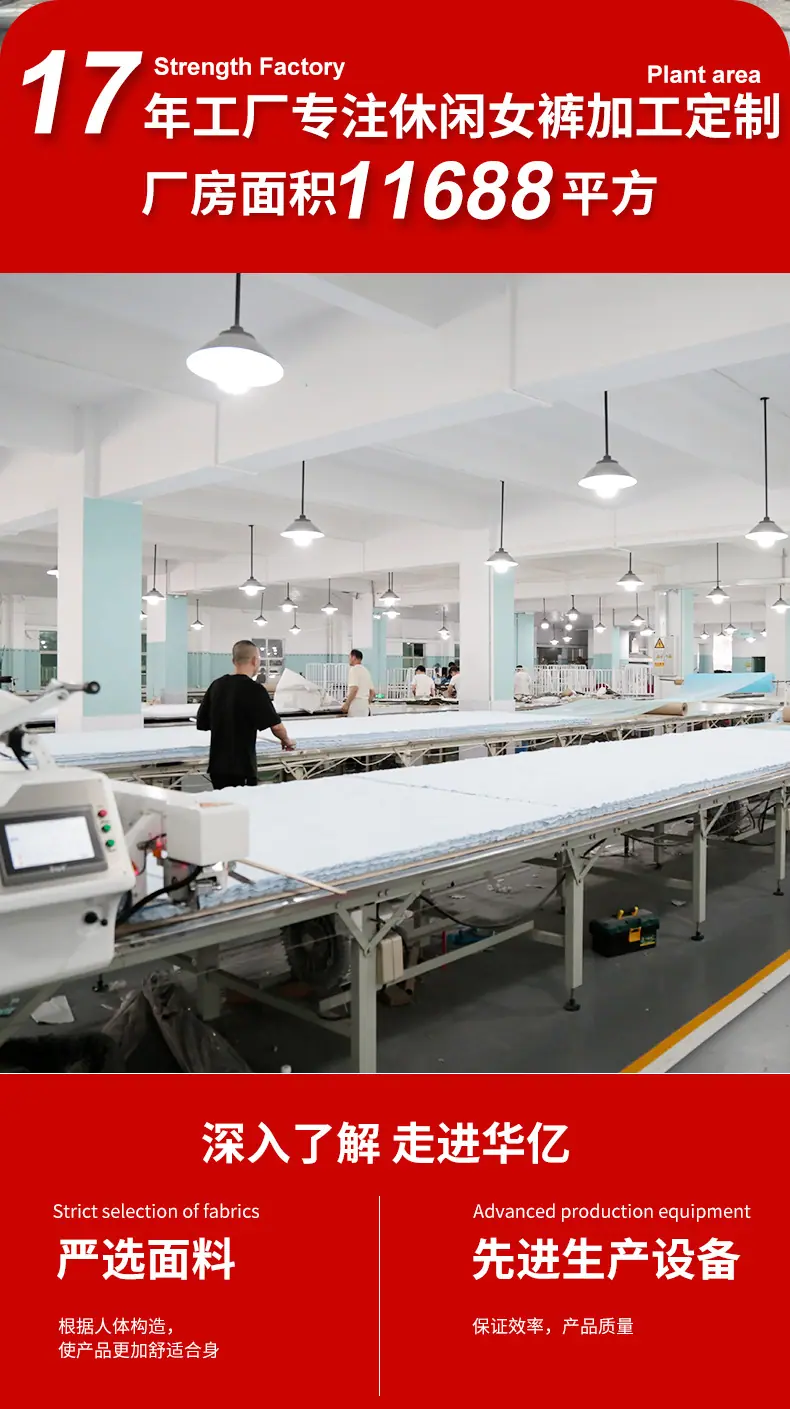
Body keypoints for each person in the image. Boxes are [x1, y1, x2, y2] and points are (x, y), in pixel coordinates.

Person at [196, 640, 294, 790]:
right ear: (255, 661)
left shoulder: (216, 685)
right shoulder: (255, 690)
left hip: (217, 767)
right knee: (242, 803)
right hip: (242, 768)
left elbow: (202, 723)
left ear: (233, 660)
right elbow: (276, 727)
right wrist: (286, 741)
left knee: (224, 803)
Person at [342, 648, 376, 717]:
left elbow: (354, 689)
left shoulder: (354, 669)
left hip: (355, 705)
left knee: (354, 723)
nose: (349, 659)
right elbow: (372, 692)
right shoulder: (366, 671)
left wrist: (346, 704)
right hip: (365, 706)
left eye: (349, 657)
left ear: (353, 657)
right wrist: (366, 703)